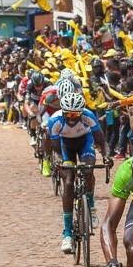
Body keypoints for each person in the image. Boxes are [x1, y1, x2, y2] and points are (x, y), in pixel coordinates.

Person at [48, 91, 108, 253]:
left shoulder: (88, 116)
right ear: (63, 112)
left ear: (81, 111)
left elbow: (101, 140)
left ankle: (91, 205)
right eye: (69, 114)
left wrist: (106, 157)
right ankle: (67, 233)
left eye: (76, 114)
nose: (72, 117)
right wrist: (59, 161)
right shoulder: (55, 120)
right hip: (65, 147)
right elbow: (55, 147)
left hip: (85, 143)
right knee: (68, 182)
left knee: (88, 170)